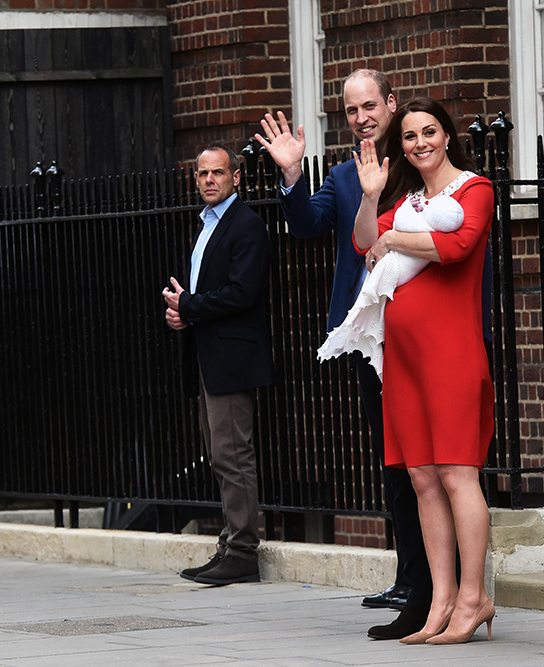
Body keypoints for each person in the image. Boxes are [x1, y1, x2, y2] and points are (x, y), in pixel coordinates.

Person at [255, 69, 432, 640]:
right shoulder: (338, 174)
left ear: (391, 104)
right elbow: (305, 224)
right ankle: (410, 577)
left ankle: (431, 581)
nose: (362, 117)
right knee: (390, 460)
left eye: (370, 106)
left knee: (421, 462)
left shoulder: (416, 167)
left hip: (417, 330)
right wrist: (290, 173)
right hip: (366, 336)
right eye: (352, 110)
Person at [353, 97, 496, 644]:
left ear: (447, 135)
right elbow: (365, 239)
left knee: (458, 474)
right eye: (410, 136)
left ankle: (474, 597)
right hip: (405, 361)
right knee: (421, 477)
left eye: (429, 132)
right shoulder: (408, 202)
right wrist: (371, 200)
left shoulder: (474, 188)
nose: (420, 143)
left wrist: (392, 239)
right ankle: (440, 601)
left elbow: (456, 247)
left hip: (451, 354)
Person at [162, 144, 275, 586]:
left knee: (233, 455)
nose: (210, 179)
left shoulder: (246, 225)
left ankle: (244, 551)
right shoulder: (206, 225)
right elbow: (206, 295)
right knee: (219, 455)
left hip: (233, 359)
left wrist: (189, 306)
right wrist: (182, 312)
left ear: (236, 178)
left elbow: (242, 292)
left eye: (218, 173)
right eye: (202, 173)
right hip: (208, 355)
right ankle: (230, 545)